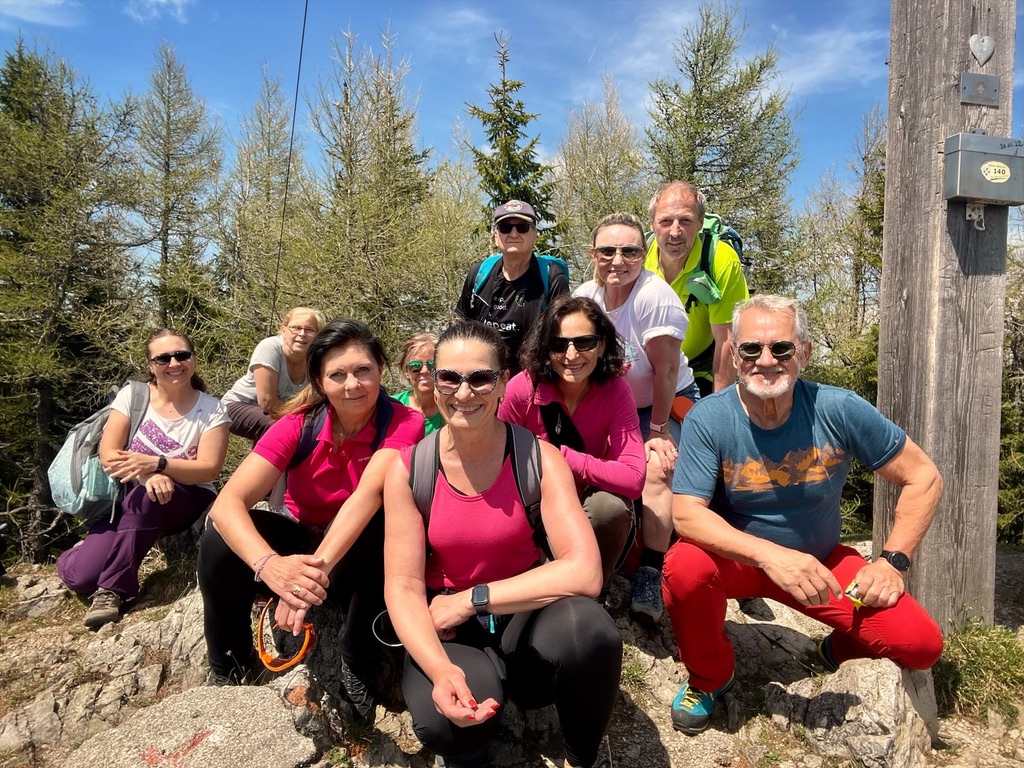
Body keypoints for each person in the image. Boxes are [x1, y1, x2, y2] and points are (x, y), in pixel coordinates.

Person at [663, 294, 944, 735]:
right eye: (751, 349)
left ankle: (839, 649)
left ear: (805, 353)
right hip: (739, 561)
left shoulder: (839, 408)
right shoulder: (708, 418)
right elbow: (687, 514)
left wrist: (892, 561)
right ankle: (709, 675)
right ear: (734, 355)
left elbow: (923, 476)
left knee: (921, 644)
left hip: (821, 563)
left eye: (782, 348)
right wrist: (771, 557)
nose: (766, 360)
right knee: (684, 568)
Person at [384, 321, 622, 768]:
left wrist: (474, 600)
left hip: (524, 614)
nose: (463, 392)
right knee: (445, 727)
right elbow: (401, 586)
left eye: (480, 378)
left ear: (501, 383)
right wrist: (440, 670)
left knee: (591, 632)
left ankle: (581, 758)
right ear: (433, 381)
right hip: (450, 630)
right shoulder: (409, 470)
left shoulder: (538, 458)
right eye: (449, 377)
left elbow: (586, 571)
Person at [197, 319, 425, 714]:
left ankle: (357, 660)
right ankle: (229, 666)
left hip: (357, 550)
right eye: (337, 375)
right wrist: (271, 567)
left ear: (381, 370)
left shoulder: (404, 422)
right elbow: (227, 502)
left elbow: (367, 496)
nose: (352, 385)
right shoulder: (297, 424)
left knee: (382, 520)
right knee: (217, 540)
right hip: (303, 540)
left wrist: (300, 586)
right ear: (319, 382)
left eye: (363, 371)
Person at [58, 329, 230, 629]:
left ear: (193, 359)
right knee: (82, 577)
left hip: (187, 498)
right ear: (151, 365)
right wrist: (147, 473)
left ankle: (112, 590)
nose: (174, 363)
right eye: (163, 357)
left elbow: (208, 469)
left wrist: (159, 464)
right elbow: (109, 453)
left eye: (182, 355)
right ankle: (75, 557)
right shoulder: (134, 396)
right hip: (125, 499)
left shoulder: (212, 409)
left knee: (145, 497)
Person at [573, 212, 698, 623]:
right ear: (593, 255)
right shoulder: (586, 298)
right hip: (613, 401)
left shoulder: (653, 297)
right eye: (607, 251)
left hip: (661, 399)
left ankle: (650, 567)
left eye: (629, 251)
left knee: (657, 469)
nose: (617, 260)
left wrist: (658, 430)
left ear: (644, 255)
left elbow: (664, 372)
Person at [500, 295, 645, 597]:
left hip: (586, 502)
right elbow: (496, 456)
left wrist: (560, 457)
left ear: (602, 345)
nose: (571, 355)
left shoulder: (616, 390)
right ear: (545, 348)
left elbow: (633, 478)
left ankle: (593, 586)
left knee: (611, 508)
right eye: (558, 344)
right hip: (533, 504)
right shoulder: (523, 389)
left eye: (584, 343)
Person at [644, 182, 750, 397]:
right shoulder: (637, 257)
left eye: (685, 220)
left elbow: (726, 339)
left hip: (698, 370)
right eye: (665, 221)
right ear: (652, 224)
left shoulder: (720, 260)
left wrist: (718, 407)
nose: (675, 231)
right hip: (645, 368)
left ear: (700, 222)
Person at [455, 200, 569, 374]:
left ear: (535, 234)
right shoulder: (478, 274)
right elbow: (463, 329)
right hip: (484, 379)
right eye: (505, 227)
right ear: (495, 235)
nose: (513, 233)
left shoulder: (553, 278)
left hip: (532, 379)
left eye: (522, 227)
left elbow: (561, 338)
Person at [220, 307, 327, 442]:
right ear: (283, 330)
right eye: (296, 328)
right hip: (237, 405)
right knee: (279, 428)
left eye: (310, 330)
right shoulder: (270, 347)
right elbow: (267, 402)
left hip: (278, 414)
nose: (302, 333)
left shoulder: (319, 361)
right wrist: (300, 422)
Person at [395, 332, 443, 435]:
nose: (425, 371)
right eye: (415, 366)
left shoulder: (451, 409)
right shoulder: (391, 406)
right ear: (406, 371)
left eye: (432, 365)